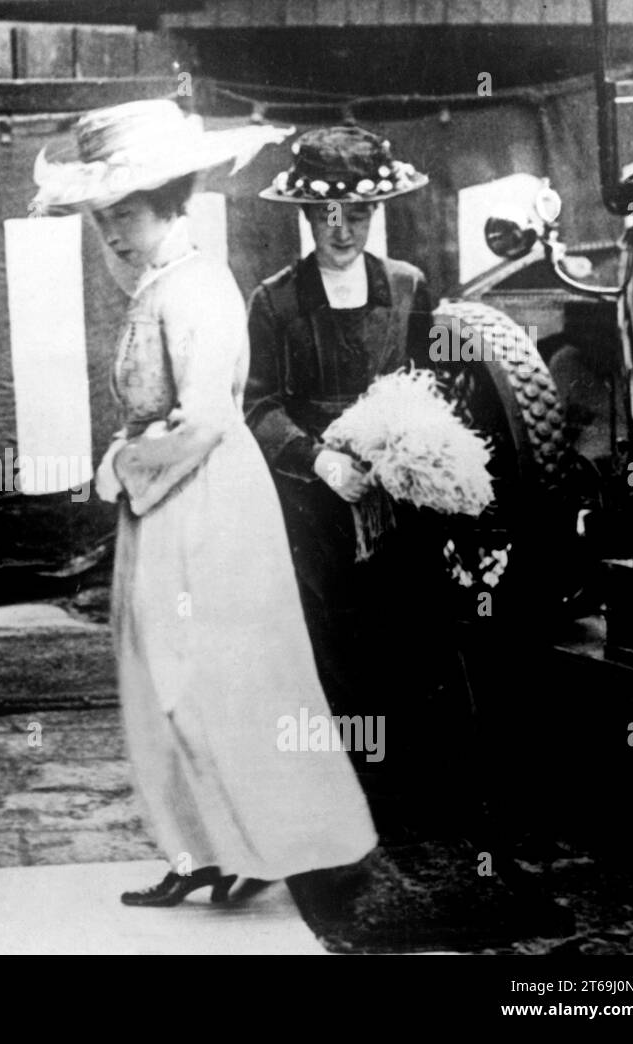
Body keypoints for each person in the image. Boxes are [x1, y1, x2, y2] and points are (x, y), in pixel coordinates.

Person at [31, 99, 377, 907]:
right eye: (101, 218)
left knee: (225, 681)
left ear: (172, 204)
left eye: (127, 214)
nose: (113, 232)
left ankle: (285, 842)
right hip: (167, 501)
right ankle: (202, 849)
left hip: (207, 500)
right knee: (162, 681)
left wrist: (126, 460)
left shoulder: (197, 286)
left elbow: (211, 417)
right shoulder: (162, 281)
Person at [245, 126, 464, 794]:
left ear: (376, 213)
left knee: (407, 629)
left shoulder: (408, 286)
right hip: (315, 505)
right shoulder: (275, 300)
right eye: (327, 214)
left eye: (359, 213)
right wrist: (320, 462)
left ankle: (409, 787)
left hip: (396, 499)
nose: (343, 230)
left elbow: (442, 376)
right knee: (331, 639)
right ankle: (340, 790)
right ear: (307, 216)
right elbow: (258, 407)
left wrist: (425, 445)